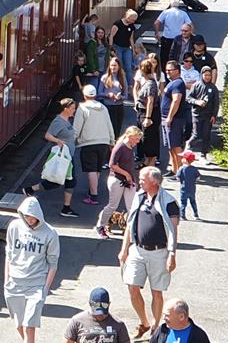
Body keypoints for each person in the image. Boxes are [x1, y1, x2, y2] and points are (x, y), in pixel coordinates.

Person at [119, 167, 180, 341]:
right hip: (137, 250)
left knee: (157, 292)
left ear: (154, 181)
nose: (139, 181)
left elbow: (173, 231)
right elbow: (130, 224)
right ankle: (143, 322)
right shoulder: (139, 197)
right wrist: (124, 249)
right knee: (132, 287)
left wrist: (172, 254)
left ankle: (155, 327)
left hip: (159, 252)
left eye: (142, 179)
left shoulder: (169, 202)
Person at [4, 196, 60, 343]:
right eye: (26, 216)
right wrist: (6, 280)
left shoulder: (50, 233)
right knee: (19, 324)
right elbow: (9, 255)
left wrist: (45, 289)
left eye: (32, 216)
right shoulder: (14, 227)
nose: (29, 219)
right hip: (15, 282)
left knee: (30, 324)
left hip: (36, 284)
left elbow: (53, 263)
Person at [23, 98, 80, 218]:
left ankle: (31, 190)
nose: (74, 110)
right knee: (65, 181)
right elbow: (47, 135)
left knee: (64, 181)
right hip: (64, 157)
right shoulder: (58, 122)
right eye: (73, 108)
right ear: (66, 109)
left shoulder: (66, 119)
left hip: (68, 156)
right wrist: (58, 140)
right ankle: (65, 208)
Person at [95, 126, 142, 239]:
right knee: (112, 206)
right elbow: (112, 165)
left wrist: (130, 177)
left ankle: (132, 230)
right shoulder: (120, 147)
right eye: (136, 138)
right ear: (130, 136)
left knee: (132, 206)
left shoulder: (130, 146)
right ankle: (100, 226)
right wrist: (126, 174)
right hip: (117, 180)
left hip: (129, 181)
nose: (138, 141)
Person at [74, 84, 116, 205]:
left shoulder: (82, 108)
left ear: (84, 95)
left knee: (91, 169)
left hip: (89, 142)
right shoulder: (103, 107)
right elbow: (109, 124)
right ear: (95, 95)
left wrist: (72, 139)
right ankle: (93, 190)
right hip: (104, 142)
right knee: (97, 169)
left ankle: (93, 195)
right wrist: (112, 141)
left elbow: (77, 127)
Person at [63, 287, 131, 343]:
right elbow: (68, 341)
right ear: (90, 304)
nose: (100, 316)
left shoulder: (118, 324)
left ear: (109, 304)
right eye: (97, 312)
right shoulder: (76, 321)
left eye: (102, 313)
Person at [160, 61, 189, 174]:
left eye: (170, 70)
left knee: (176, 146)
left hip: (174, 120)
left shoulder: (178, 83)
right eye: (166, 70)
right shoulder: (171, 83)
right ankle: (174, 169)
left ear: (177, 71)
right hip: (167, 118)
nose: (167, 72)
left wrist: (170, 117)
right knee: (170, 146)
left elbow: (176, 100)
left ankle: (181, 172)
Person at [185, 67, 219, 159]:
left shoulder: (213, 88)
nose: (207, 77)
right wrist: (197, 102)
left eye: (209, 75)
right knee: (196, 134)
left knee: (206, 135)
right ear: (202, 75)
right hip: (197, 114)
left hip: (208, 115)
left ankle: (203, 154)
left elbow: (216, 103)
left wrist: (214, 115)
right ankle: (189, 143)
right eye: (205, 75)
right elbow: (189, 98)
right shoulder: (196, 85)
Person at [132, 60, 161, 168]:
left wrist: (148, 118)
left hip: (148, 114)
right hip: (141, 111)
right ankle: (146, 162)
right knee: (144, 137)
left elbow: (150, 101)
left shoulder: (150, 84)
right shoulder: (147, 81)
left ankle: (151, 162)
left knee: (149, 139)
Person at [154, 5, 192, 72]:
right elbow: (190, 25)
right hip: (179, 39)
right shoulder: (183, 13)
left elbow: (156, 23)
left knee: (164, 58)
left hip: (167, 38)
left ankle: (165, 73)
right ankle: (176, 72)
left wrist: (157, 33)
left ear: (171, 4)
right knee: (177, 57)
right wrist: (190, 35)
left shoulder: (165, 12)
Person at [98, 57, 128, 138]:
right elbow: (99, 92)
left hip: (119, 107)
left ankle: (114, 148)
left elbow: (126, 95)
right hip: (108, 106)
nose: (113, 67)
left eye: (115, 65)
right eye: (111, 65)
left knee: (117, 130)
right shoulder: (105, 77)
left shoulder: (122, 78)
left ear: (119, 66)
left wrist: (120, 97)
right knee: (108, 130)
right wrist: (108, 95)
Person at [110, 10, 140, 84]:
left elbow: (131, 38)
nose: (133, 22)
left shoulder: (131, 26)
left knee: (128, 67)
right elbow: (111, 36)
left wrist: (133, 49)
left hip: (127, 48)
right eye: (132, 20)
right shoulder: (118, 24)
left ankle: (129, 85)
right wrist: (111, 47)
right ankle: (118, 83)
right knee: (119, 66)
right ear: (128, 17)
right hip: (118, 47)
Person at [174, 151, 200, 220]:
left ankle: (183, 215)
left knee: (183, 203)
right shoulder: (194, 169)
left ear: (185, 160)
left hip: (183, 189)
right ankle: (196, 214)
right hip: (192, 189)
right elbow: (198, 178)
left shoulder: (181, 169)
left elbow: (178, 178)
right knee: (193, 202)